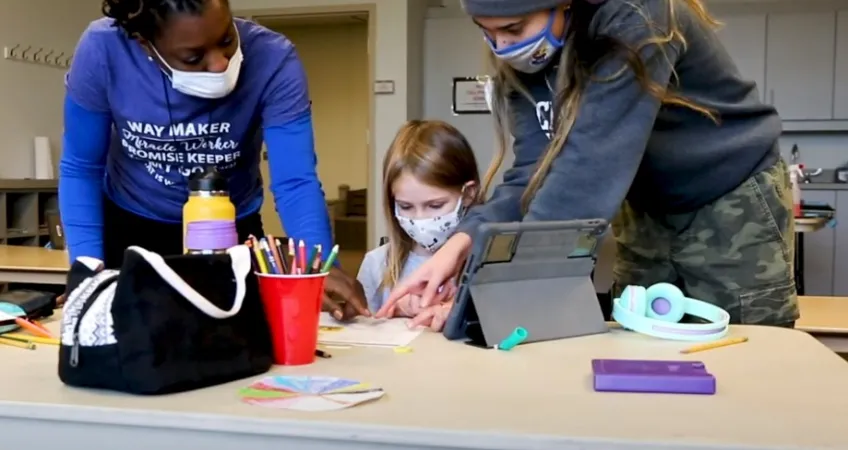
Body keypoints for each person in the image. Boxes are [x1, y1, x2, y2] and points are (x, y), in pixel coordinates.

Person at [378, 0, 797, 328]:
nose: (503, 48)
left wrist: (483, 303)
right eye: (486, 32)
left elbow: (583, 178)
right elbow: (532, 178)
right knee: (642, 340)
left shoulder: (636, 16)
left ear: (566, 4)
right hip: (645, 208)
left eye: (512, 29)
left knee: (745, 349)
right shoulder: (521, 66)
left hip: (728, 195)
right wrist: (461, 244)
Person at [59, 0, 368, 319]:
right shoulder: (103, 50)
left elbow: (295, 182)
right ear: (145, 44)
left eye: (226, 40)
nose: (220, 63)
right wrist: (86, 270)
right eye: (193, 57)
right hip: (132, 228)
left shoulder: (274, 59)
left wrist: (315, 264)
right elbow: (81, 169)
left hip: (230, 230)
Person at [356, 120, 479, 329]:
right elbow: (365, 333)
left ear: (468, 194)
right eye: (405, 206)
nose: (420, 219)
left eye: (435, 205)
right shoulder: (377, 265)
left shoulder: (489, 263)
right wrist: (395, 312)